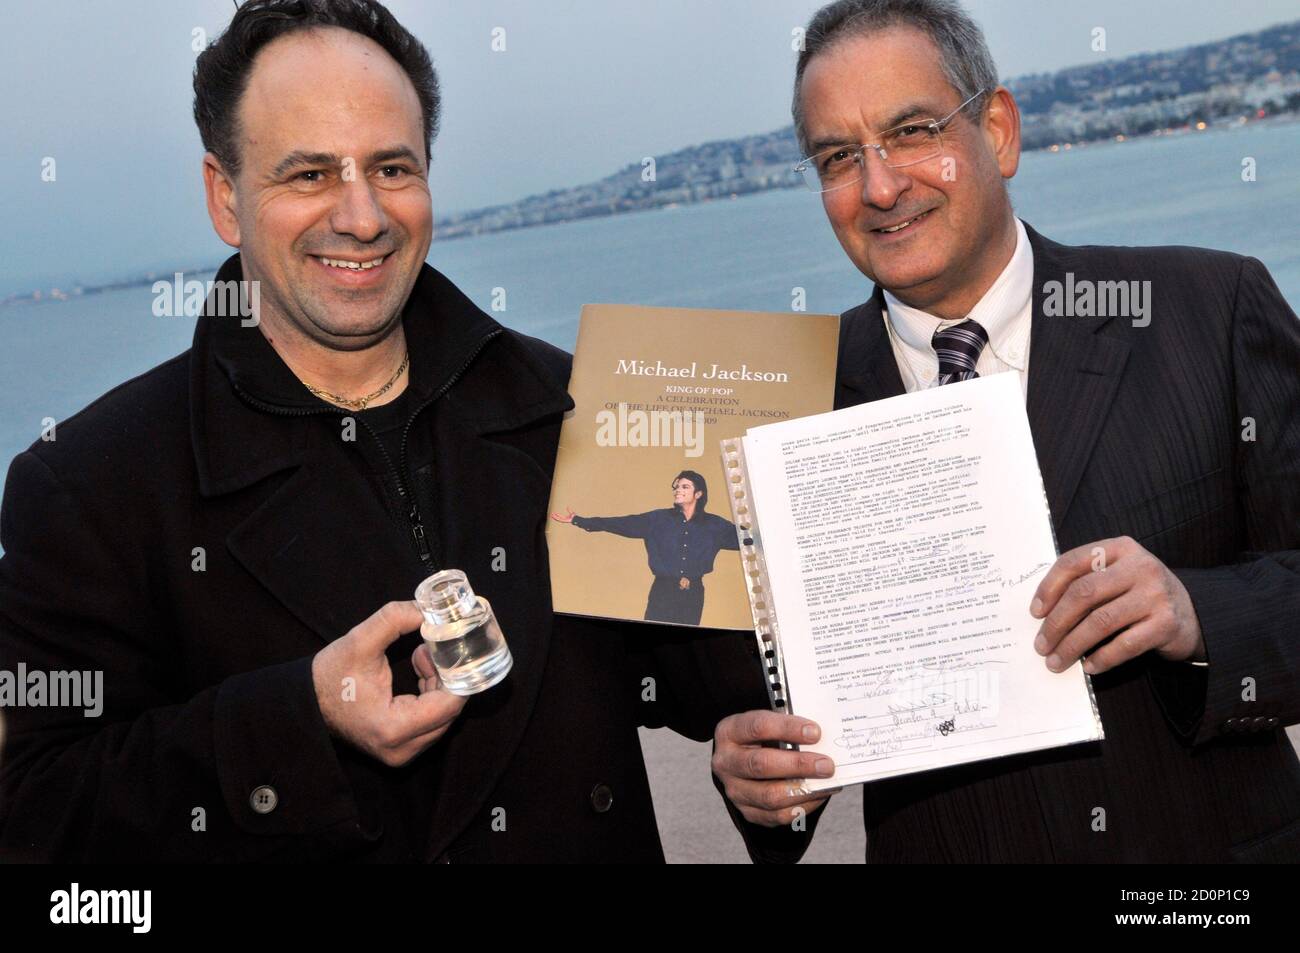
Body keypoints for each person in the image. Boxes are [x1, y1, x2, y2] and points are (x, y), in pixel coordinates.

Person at [0, 0, 772, 863]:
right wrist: (301, 720)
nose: (362, 216)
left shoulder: (572, 403)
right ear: (226, 197)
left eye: (392, 168)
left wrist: (765, 743)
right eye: (309, 175)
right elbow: (37, 810)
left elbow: (681, 672)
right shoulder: (92, 484)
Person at [713, 0, 1300, 862]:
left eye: (913, 131)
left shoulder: (1206, 312)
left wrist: (1194, 612)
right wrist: (756, 781)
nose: (879, 187)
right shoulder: (782, 412)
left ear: (999, 129)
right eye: (839, 157)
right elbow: (762, 715)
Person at [551, 470, 739, 625]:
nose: (677, 490)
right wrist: (579, 520)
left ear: (698, 494)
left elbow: (750, 538)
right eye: (677, 487)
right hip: (662, 591)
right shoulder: (657, 520)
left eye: (684, 487)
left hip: (694, 593)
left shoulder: (715, 526)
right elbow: (620, 523)